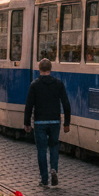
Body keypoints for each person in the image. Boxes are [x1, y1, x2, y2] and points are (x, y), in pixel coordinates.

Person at [23, 58, 70, 188]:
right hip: (55, 121)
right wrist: (67, 123)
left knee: (42, 150)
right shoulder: (58, 84)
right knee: (54, 147)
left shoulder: (35, 84)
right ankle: (54, 169)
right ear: (50, 69)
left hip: (40, 122)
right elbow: (66, 104)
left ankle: (44, 179)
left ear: (39, 69)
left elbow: (29, 106)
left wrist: (27, 123)